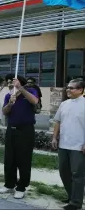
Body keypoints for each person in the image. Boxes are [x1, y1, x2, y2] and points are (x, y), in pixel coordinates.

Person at [0, 76, 38, 199]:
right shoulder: (9, 96)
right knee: (9, 159)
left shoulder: (30, 91)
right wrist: (10, 103)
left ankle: (21, 187)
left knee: (23, 159)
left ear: (21, 83)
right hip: (11, 130)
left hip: (26, 130)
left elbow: (35, 101)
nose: (10, 84)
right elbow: (4, 111)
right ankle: (9, 184)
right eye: (8, 82)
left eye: (12, 82)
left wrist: (21, 89)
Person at [51, 79, 85, 210]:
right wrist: (54, 137)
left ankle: (76, 203)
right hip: (63, 144)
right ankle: (72, 196)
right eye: (67, 88)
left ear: (80, 90)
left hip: (79, 146)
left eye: (72, 88)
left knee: (77, 174)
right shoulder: (64, 104)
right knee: (64, 172)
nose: (68, 90)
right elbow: (57, 122)